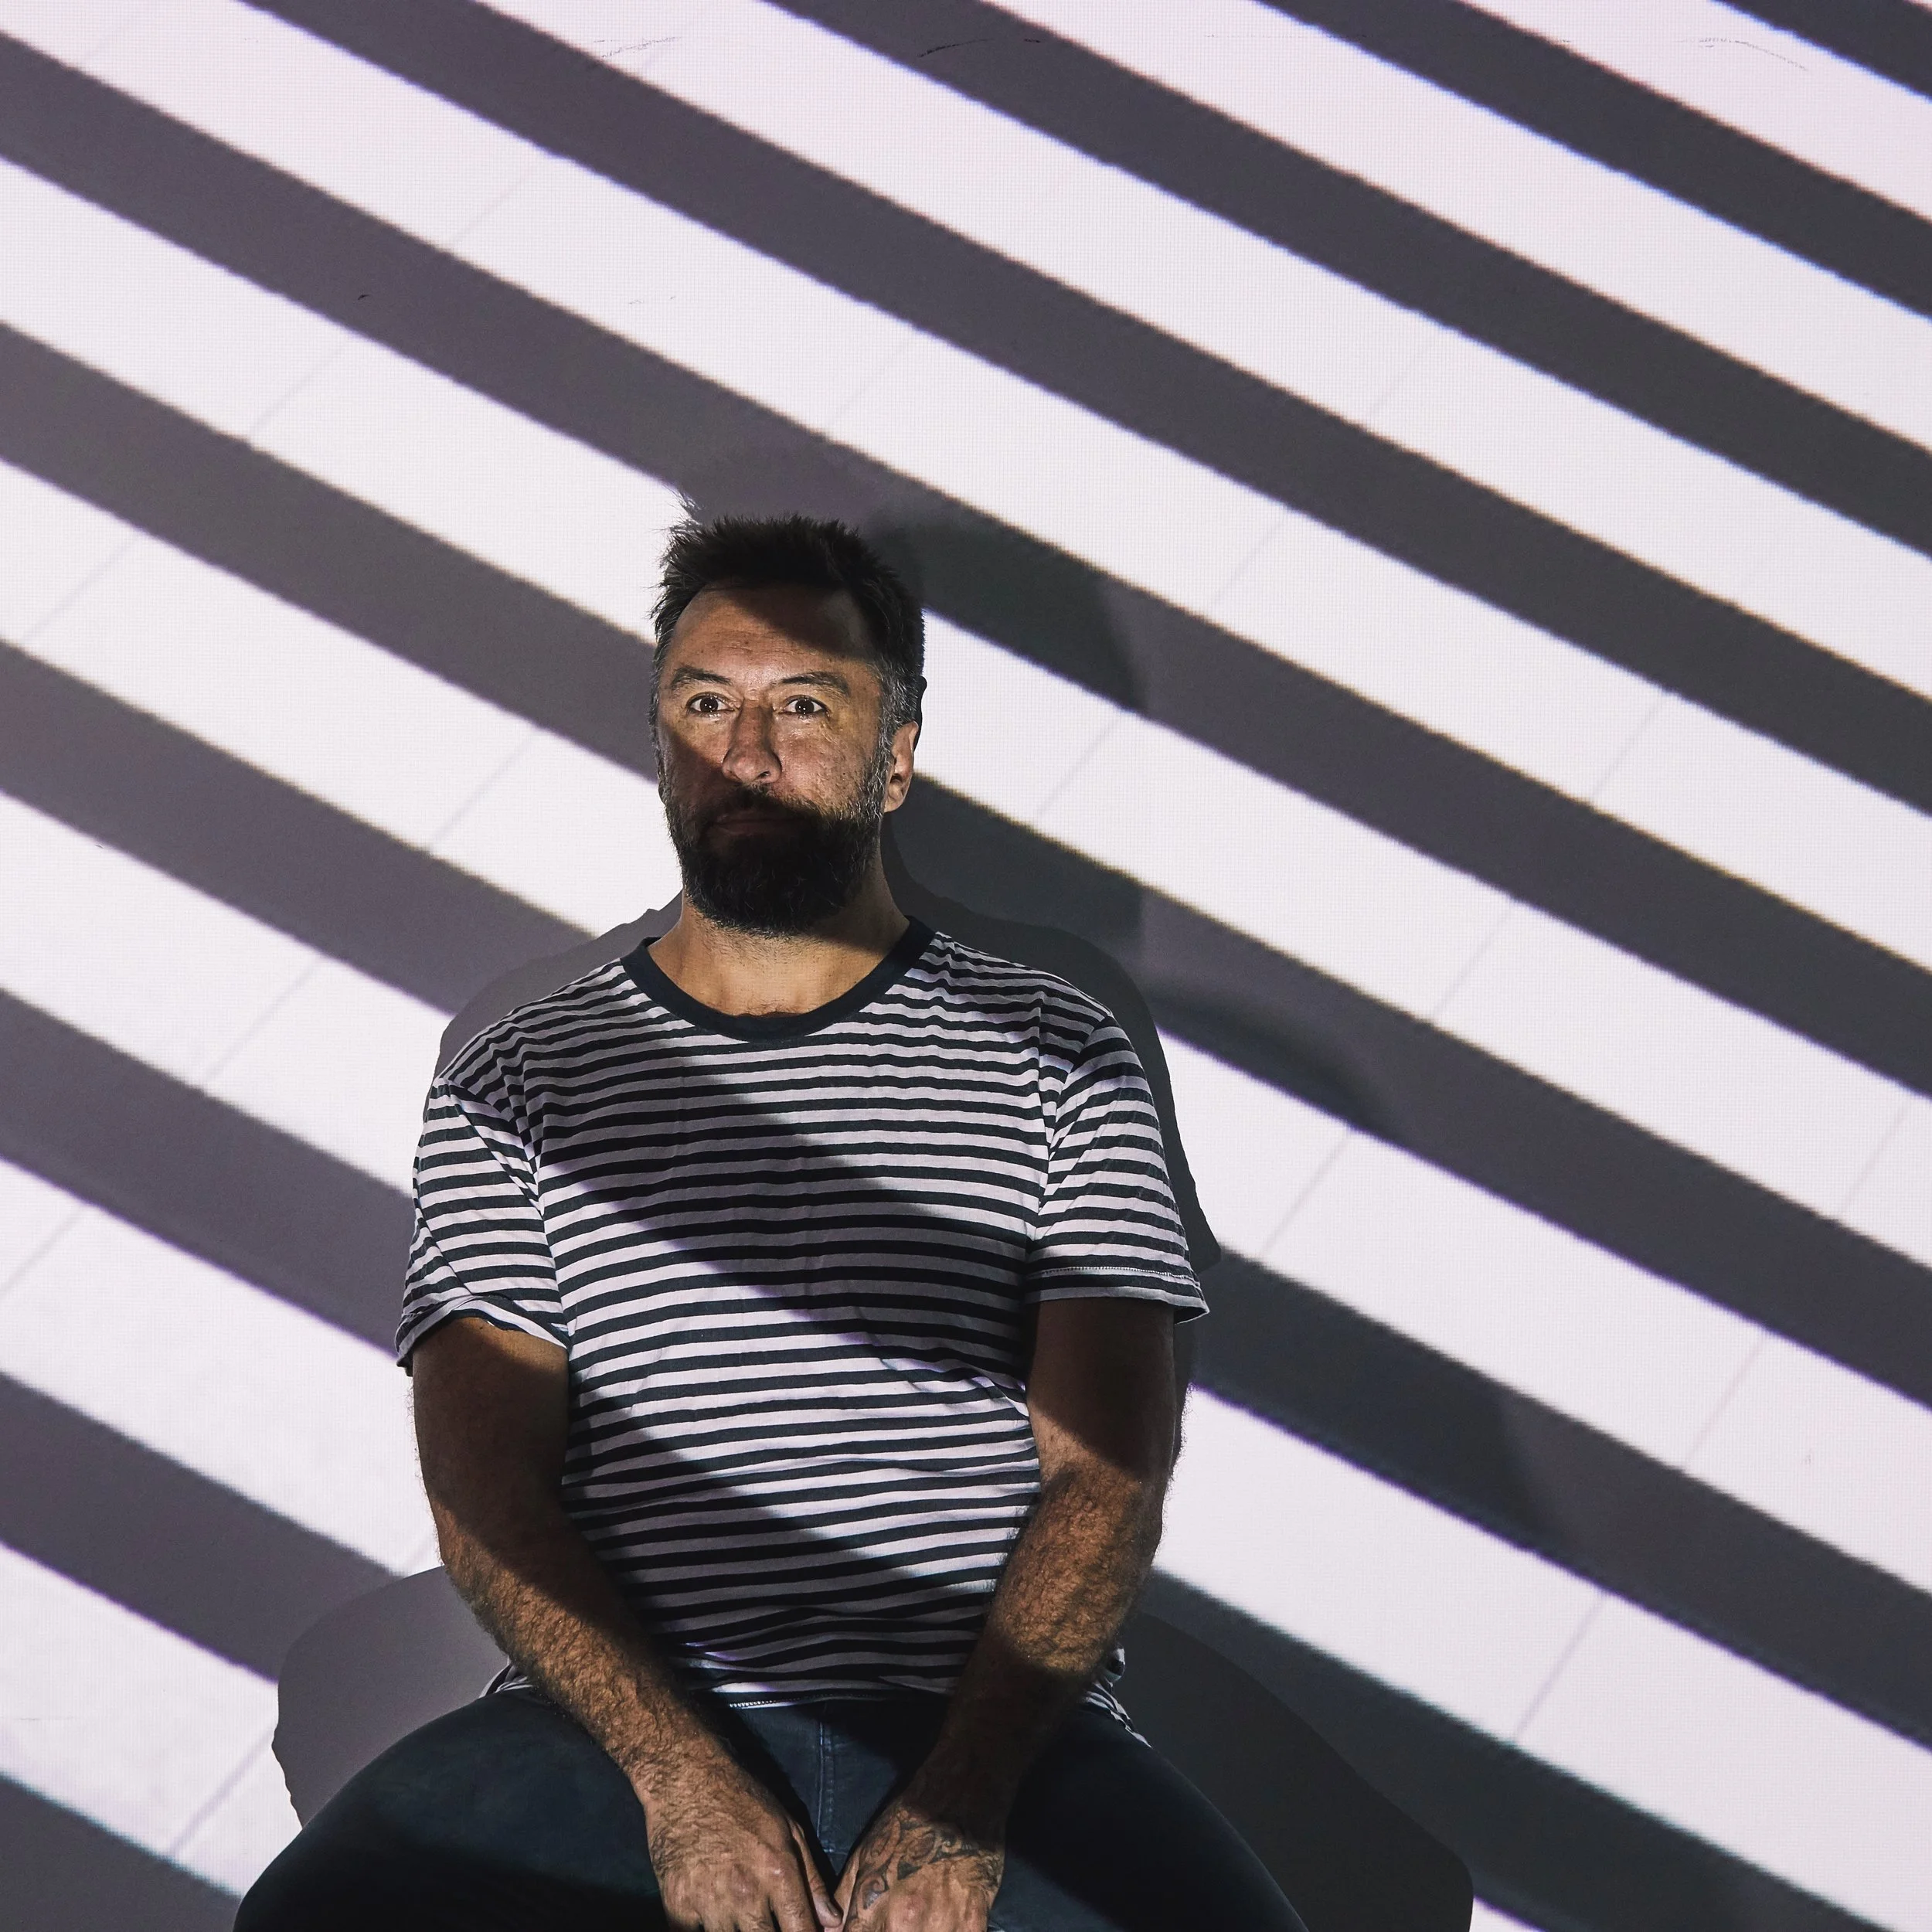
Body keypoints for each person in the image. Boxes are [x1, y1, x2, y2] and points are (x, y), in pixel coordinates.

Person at [236, 514, 1306, 1932]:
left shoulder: (1059, 1051)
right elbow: (486, 1485)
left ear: (896, 755)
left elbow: (1107, 1472)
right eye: (704, 705)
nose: (745, 754)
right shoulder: (519, 1075)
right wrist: (681, 1783)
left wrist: (961, 1799)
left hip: (984, 1733)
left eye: (804, 705)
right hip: (612, 1737)